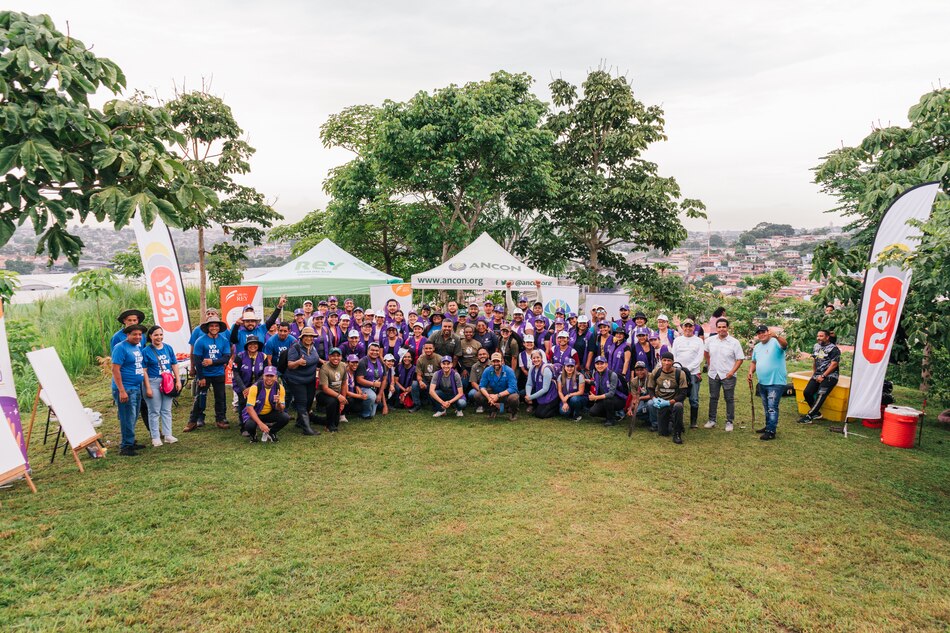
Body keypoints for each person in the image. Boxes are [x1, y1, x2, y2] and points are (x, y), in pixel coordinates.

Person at [111, 323, 151, 456]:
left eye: (140, 334)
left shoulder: (136, 347)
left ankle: (131, 440)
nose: (138, 337)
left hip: (136, 387)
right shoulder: (120, 348)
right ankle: (126, 446)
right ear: (127, 335)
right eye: (134, 334)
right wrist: (121, 390)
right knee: (127, 416)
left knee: (133, 416)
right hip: (126, 388)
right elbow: (115, 370)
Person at [186, 318, 232, 432]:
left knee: (220, 398)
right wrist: (200, 377)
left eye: (216, 326)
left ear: (220, 328)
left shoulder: (224, 340)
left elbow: (226, 357)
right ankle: (192, 421)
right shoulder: (200, 341)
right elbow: (197, 359)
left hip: (219, 373)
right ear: (208, 327)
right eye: (212, 326)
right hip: (204, 375)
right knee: (200, 398)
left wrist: (212, 362)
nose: (214, 328)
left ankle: (220, 420)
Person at [703, 318, 745, 432]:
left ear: (727, 328)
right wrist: (709, 363)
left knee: (729, 399)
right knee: (713, 397)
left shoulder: (734, 342)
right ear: (716, 328)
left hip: (728, 375)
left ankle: (729, 421)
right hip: (713, 374)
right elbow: (706, 352)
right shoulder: (710, 340)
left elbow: (740, 359)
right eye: (719, 327)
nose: (721, 329)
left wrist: (732, 372)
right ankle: (712, 420)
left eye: (724, 327)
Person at [142, 325, 180, 446]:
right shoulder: (146, 351)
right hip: (153, 381)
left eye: (161, 334)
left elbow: (174, 364)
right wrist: (147, 387)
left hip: (167, 382)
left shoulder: (168, 348)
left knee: (166, 409)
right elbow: (144, 371)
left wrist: (178, 380)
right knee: (154, 411)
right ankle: (155, 437)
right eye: (156, 335)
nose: (159, 337)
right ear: (150, 336)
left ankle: (168, 434)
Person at [749, 325, 788, 441]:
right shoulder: (757, 347)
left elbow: (785, 344)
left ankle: (771, 431)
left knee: (772, 407)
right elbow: (754, 362)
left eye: (763, 332)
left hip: (776, 382)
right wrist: (750, 371)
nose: (761, 334)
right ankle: (768, 426)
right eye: (759, 333)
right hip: (762, 382)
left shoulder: (775, 342)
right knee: (767, 407)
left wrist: (776, 336)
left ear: (768, 332)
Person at [284, 326, 321, 436]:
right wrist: (298, 362)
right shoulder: (295, 348)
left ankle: (300, 422)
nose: (309, 338)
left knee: (309, 401)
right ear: (302, 337)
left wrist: (324, 362)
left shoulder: (313, 347)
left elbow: (316, 358)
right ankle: (307, 429)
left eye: (311, 336)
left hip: (310, 379)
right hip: (296, 380)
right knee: (302, 402)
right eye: (307, 336)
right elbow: (290, 364)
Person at [799, 329, 840, 424]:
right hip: (817, 374)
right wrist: (814, 373)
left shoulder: (834, 349)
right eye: (818, 336)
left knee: (820, 394)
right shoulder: (816, 346)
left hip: (830, 376)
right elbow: (815, 360)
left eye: (821, 336)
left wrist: (823, 375)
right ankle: (816, 413)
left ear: (827, 337)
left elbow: (834, 364)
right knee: (807, 392)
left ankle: (809, 416)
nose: (819, 338)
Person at [671, 318, 705, 430]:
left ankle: (693, 421)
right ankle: (676, 420)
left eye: (690, 326)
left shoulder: (699, 341)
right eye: (686, 326)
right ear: (683, 327)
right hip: (678, 372)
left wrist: (688, 369)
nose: (688, 328)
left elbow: (700, 357)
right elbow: (673, 355)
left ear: (693, 327)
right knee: (677, 397)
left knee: (694, 398)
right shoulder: (677, 340)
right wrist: (679, 369)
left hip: (693, 373)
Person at [648, 351, 689, 444]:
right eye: (664, 360)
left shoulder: (680, 373)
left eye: (669, 361)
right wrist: (654, 399)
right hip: (662, 402)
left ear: (673, 362)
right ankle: (672, 422)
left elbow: (683, 393)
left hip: (675, 401)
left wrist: (670, 402)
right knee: (663, 433)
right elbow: (650, 388)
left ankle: (677, 434)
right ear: (661, 361)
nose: (666, 363)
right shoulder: (656, 372)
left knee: (678, 406)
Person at [242, 366, 289, 442]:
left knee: (285, 417)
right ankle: (253, 435)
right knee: (249, 425)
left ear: (276, 377)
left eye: (272, 376)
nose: (269, 378)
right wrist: (261, 424)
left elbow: (281, 408)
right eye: (267, 375)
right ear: (263, 376)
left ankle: (272, 432)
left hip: (269, 413)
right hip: (255, 413)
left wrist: (278, 403)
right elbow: (249, 409)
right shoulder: (255, 388)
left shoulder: (280, 388)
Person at [232, 335, 266, 421]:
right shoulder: (240, 356)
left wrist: (253, 387)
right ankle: (243, 425)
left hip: (257, 385)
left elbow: (264, 374)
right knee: (243, 403)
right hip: (242, 385)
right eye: (250, 344)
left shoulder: (263, 356)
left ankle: (256, 421)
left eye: (255, 344)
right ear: (247, 345)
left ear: (258, 345)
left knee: (258, 403)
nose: (252, 346)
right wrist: (244, 389)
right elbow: (236, 373)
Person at [477, 352, 520, 420]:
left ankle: (513, 413)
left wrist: (498, 396)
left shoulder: (509, 370)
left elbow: (513, 388)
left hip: (506, 395)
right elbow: (482, 386)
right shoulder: (487, 370)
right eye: (494, 361)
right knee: (478, 395)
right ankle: (493, 410)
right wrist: (488, 397)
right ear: (491, 362)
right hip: (493, 394)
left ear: (502, 361)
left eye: (498, 361)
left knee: (514, 398)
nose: (496, 363)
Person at [318, 348, 347, 432]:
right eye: (333, 356)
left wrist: (343, 400)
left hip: (337, 395)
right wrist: (339, 396)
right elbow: (325, 388)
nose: (336, 358)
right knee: (333, 401)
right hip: (323, 394)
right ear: (329, 357)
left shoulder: (343, 366)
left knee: (335, 422)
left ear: (341, 357)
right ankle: (328, 426)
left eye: (338, 356)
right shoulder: (324, 368)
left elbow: (344, 384)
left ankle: (313, 417)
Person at [588, 356, 623, 427]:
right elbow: (596, 383)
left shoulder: (612, 375)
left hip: (618, 399)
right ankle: (612, 415)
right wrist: (586, 381)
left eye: (602, 363)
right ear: (595, 365)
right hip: (604, 399)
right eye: (597, 364)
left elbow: (611, 394)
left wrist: (596, 397)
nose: (599, 366)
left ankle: (610, 420)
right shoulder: (596, 374)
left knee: (608, 400)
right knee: (592, 412)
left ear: (606, 364)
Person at [355, 343, 385, 419]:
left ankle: (375, 404)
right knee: (371, 397)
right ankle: (364, 413)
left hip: (375, 389)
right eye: (372, 350)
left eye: (377, 350)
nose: (375, 352)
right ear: (368, 350)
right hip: (363, 388)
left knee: (372, 414)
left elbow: (384, 379)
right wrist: (373, 384)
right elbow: (359, 380)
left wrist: (380, 394)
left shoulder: (381, 362)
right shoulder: (363, 361)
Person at [525, 350, 559, 418]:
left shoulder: (546, 369)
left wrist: (530, 397)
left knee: (540, 414)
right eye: (534, 358)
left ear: (541, 358)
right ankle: (536, 406)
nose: (536, 359)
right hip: (540, 392)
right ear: (531, 359)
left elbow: (545, 389)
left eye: (538, 357)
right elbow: (529, 384)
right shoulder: (532, 368)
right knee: (523, 393)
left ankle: (556, 408)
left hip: (551, 395)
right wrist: (528, 395)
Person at [627, 361, 657, 431]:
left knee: (650, 404)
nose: (639, 372)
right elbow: (634, 398)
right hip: (642, 400)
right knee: (636, 412)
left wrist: (640, 398)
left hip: (653, 398)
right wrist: (631, 408)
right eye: (637, 370)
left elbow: (655, 394)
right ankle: (649, 420)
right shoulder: (634, 381)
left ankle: (655, 423)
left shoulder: (651, 377)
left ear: (646, 370)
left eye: (641, 370)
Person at [412, 342, 441, 412]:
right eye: (426, 348)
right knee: (414, 384)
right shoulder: (420, 359)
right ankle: (417, 405)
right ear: (423, 349)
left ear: (433, 348)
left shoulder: (439, 358)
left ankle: (436, 404)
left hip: (437, 383)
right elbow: (418, 374)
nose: (428, 350)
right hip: (426, 381)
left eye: (430, 348)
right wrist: (420, 381)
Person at [467, 348, 491, 413]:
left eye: (484, 354)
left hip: (492, 388)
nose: (482, 356)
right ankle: (480, 405)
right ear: (477, 356)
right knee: (471, 393)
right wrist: (482, 390)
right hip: (479, 388)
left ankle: (492, 405)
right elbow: (473, 382)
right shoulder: (474, 366)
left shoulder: (493, 365)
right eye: (480, 355)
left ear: (488, 355)